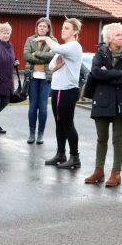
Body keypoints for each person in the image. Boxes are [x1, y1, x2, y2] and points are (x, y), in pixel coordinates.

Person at [84, 23, 122, 187]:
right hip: (102, 100)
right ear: (109, 39)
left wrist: (107, 74)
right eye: (117, 35)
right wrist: (116, 73)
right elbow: (95, 72)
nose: (121, 37)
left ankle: (116, 173)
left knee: (117, 139)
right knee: (102, 139)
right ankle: (99, 171)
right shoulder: (100, 53)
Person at [34, 18, 83, 169]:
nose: (63, 30)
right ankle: (61, 154)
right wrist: (57, 66)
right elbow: (50, 65)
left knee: (68, 124)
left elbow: (54, 49)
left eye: (67, 28)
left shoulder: (74, 46)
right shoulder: (64, 47)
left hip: (68, 90)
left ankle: (75, 157)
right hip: (57, 89)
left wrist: (47, 38)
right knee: (59, 123)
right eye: (62, 27)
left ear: (75, 31)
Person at [23, 17, 56, 144]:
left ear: (48, 28)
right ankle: (32, 133)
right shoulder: (30, 39)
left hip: (46, 79)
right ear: (37, 27)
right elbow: (26, 56)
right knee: (32, 107)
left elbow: (52, 56)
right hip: (32, 78)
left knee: (43, 107)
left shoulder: (53, 41)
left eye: (44, 26)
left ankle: (40, 134)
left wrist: (35, 54)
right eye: (40, 26)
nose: (42, 28)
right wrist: (42, 57)